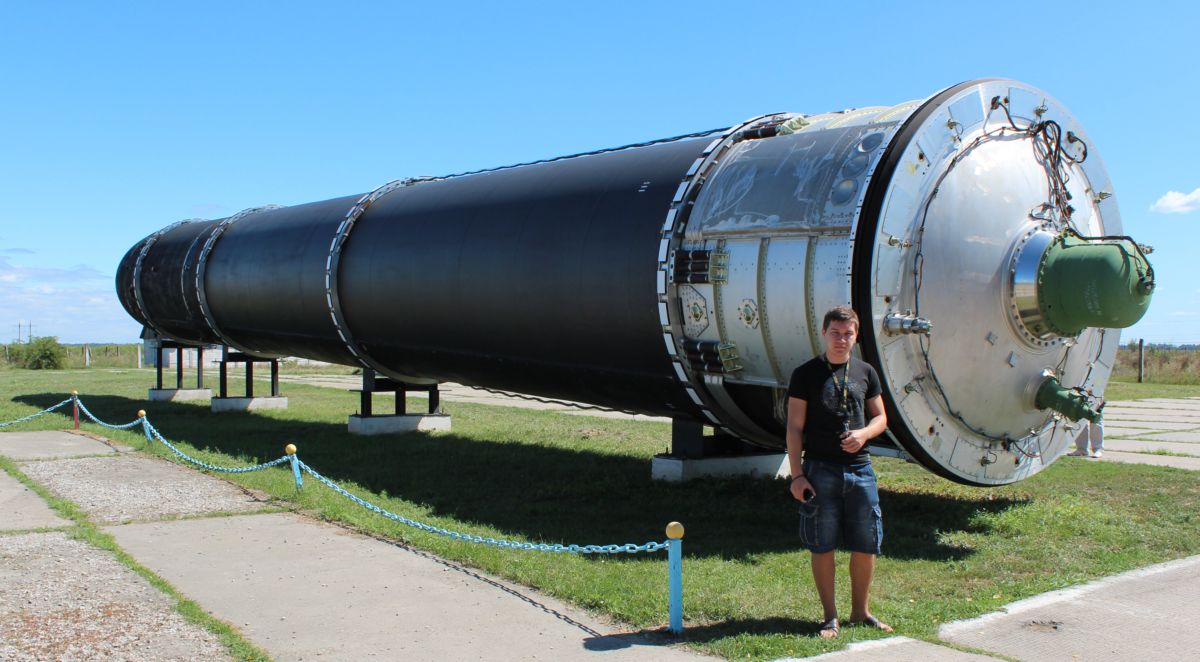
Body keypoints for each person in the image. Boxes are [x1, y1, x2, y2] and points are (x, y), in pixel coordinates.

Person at [786, 305, 892, 639]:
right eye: (835, 333)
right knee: (823, 544)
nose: (841, 340)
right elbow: (793, 427)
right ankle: (829, 616)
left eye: (848, 334)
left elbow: (881, 418)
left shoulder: (866, 372)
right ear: (823, 333)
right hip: (821, 470)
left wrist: (863, 434)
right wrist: (797, 475)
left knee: (866, 543)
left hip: (861, 471)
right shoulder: (805, 374)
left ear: (856, 336)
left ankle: (860, 612)